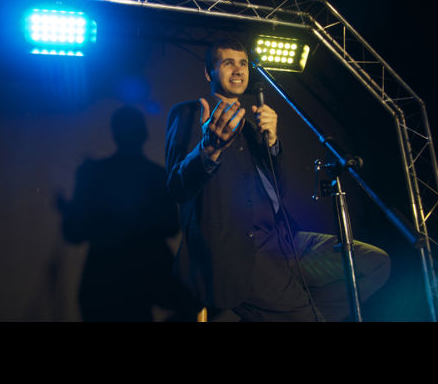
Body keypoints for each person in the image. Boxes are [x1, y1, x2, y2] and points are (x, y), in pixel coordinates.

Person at [165, 37, 390, 322]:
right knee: (308, 317)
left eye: (243, 63)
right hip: (240, 253)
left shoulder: (252, 127)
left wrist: (272, 144)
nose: (239, 70)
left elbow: (277, 192)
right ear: (209, 73)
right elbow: (177, 187)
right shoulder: (189, 113)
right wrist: (207, 150)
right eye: (228, 63)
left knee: (375, 263)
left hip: (284, 241)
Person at [58, 106, 196, 322]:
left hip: (101, 287)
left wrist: (75, 211)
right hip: (141, 283)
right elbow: (171, 227)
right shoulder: (157, 176)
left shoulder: (93, 173)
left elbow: (74, 233)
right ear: (144, 134)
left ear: (115, 134)